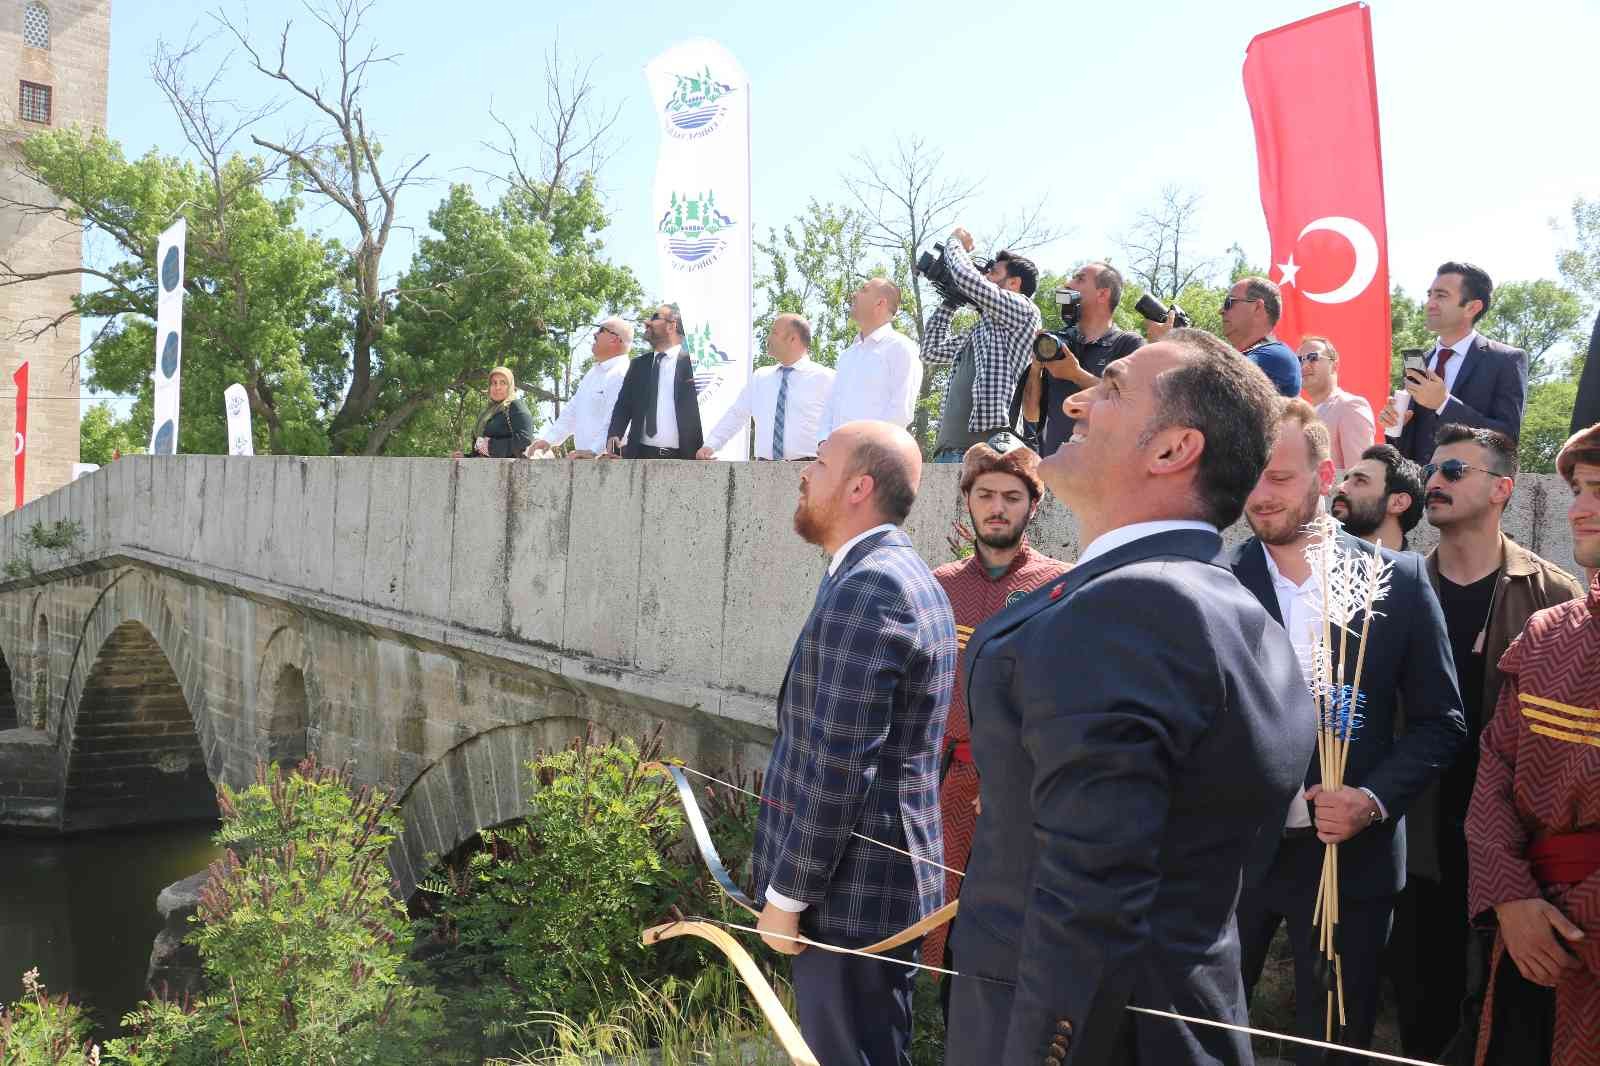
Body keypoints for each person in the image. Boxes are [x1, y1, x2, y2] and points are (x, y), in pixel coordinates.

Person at [948, 330, 1316, 1066]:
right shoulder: (1214, 601)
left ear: (1173, 449)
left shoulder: (1131, 610)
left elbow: (1091, 900)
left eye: (1111, 388)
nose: (1078, 399)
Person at [1232, 398, 1467, 1066]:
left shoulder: (1399, 580)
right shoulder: (1215, 583)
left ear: (1324, 471)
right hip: (1230, 860)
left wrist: (1371, 799)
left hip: (1349, 861)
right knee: (1197, 1036)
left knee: (1332, 1046)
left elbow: (1440, 723)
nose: (1260, 496)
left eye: (1278, 477)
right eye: (1249, 476)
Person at [750, 420, 956, 1066]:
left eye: (820, 462)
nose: (805, 473)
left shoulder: (874, 586)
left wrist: (788, 897)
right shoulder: (883, 572)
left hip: (848, 899)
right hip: (865, 890)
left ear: (858, 486)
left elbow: (839, 766)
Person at [1387, 424, 1585, 1060]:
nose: (1434, 482)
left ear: (1502, 489)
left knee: (1500, 1002)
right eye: (1432, 470)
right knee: (1420, 992)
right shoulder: (1392, 587)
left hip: (1516, 838)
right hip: (1415, 824)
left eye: (1453, 471)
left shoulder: (1554, 596)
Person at [1463, 422, 1600, 1066]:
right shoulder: (1548, 632)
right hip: (1525, 930)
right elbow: (1494, 771)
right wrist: (1512, 898)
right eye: (1578, 490)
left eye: (1599, 491)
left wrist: (1575, 919)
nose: (1579, 509)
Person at [922, 434, 1069, 1017]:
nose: (998, 507)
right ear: (968, 501)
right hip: (943, 784)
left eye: (1012, 495)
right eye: (986, 494)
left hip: (1022, 793)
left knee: (1011, 927)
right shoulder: (937, 585)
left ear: (1033, 504)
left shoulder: (1060, 586)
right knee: (941, 917)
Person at [1380, 261, 1528, 461]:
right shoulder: (1416, 362)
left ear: (1472, 307)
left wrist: (1444, 404)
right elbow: (1403, 449)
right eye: (1429, 295)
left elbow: (1508, 439)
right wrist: (1396, 427)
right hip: (1414, 487)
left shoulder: (1505, 360)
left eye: (1441, 296)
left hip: (1466, 487)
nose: (1430, 303)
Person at [919, 229, 1042, 462]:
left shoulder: (1024, 310)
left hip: (990, 450)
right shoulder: (979, 332)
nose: (985, 277)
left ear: (1014, 283)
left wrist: (955, 243)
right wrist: (951, 300)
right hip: (948, 450)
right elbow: (930, 352)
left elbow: (967, 279)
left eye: (993, 273)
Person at [1018, 261, 1143, 457]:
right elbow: (1031, 414)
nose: (1068, 284)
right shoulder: (1059, 343)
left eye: (1080, 279)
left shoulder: (1127, 344)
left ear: (1103, 294)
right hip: (1055, 474)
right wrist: (1035, 368)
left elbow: (1130, 405)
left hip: (1103, 474)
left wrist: (1075, 375)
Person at [696, 313, 834, 461]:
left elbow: (841, 423)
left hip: (810, 471)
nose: (768, 339)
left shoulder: (826, 378)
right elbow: (736, 414)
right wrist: (711, 445)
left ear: (793, 339)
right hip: (762, 472)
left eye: (774, 333)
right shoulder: (760, 378)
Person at [820, 279, 923, 440]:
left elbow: (900, 411)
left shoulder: (901, 348)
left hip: (873, 458)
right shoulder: (847, 355)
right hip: (836, 456)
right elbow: (831, 405)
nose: (854, 294)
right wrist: (824, 441)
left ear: (880, 303)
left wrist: (867, 448)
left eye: (863, 290)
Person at [604, 303, 704, 460]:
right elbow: (624, 405)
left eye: (655, 317)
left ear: (672, 326)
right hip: (639, 457)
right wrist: (614, 434)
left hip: (686, 460)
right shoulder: (638, 365)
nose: (647, 322)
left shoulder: (696, 365)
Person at [531, 318, 632, 458]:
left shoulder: (623, 374)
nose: (594, 334)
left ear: (614, 339)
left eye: (601, 330)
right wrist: (548, 440)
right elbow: (572, 411)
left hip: (609, 464)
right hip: (586, 464)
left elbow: (618, 423)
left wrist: (594, 452)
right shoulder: (592, 373)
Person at [1204, 275, 1301, 397]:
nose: (1221, 311)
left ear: (1258, 307)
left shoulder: (1275, 356)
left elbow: (1210, 384)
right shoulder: (1254, 355)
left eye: (1229, 303)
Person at [1299, 335, 1376, 471]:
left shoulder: (1350, 406)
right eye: (1299, 360)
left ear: (1334, 365)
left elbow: (1359, 476)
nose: (1304, 365)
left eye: (1313, 357)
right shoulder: (1303, 413)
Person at [1330, 443, 1424, 551]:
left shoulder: (1416, 567)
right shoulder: (1315, 563)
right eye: (1345, 480)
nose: (1340, 488)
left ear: (1398, 503)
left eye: (1360, 481)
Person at [452, 366, 534, 459]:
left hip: (509, 470)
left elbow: (525, 441)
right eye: (494, 383)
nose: (497, 387)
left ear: (510, 386)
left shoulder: (516, 406)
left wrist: (489, 446)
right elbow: (481, 452)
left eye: (503, 383)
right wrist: (466, 457)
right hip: (485, 470)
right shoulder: (486, 413)